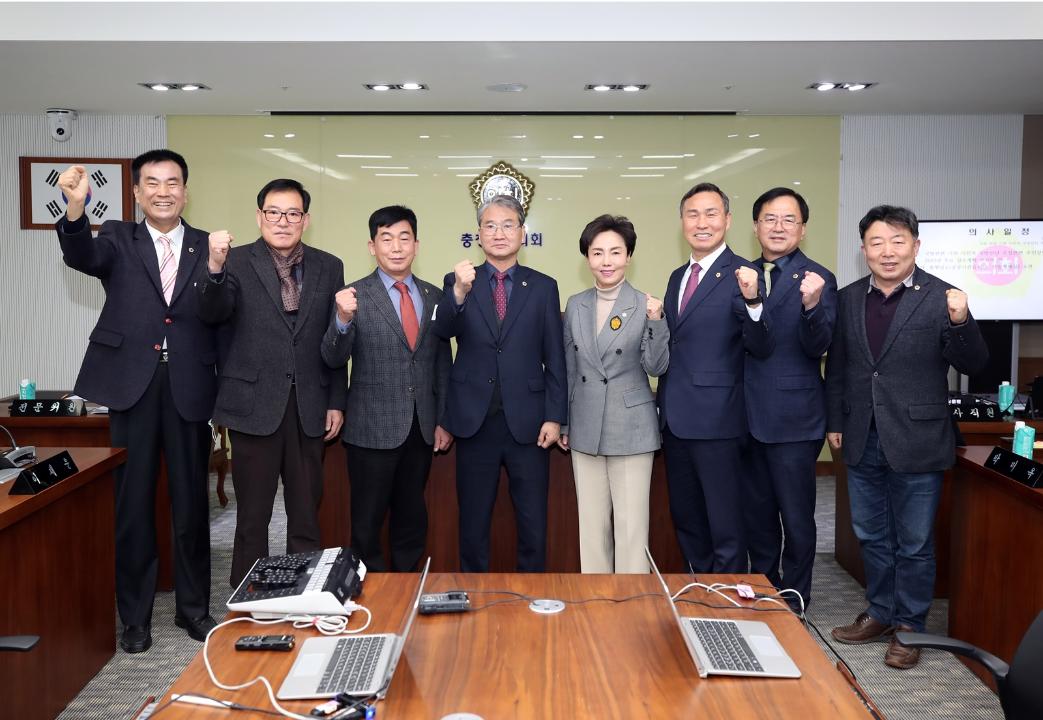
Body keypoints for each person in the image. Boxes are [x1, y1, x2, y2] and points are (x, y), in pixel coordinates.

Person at [56, 150, 218, 653]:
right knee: (132, 508)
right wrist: (76, 209)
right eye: (152, 182)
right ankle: (135, 618)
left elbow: (217, 310)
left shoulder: (205, 245)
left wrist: (215, 268)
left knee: (192, 506)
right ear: (136, 191)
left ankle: (194, 611)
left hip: (188, 387)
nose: (163, 190)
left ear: (186, 191)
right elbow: (80, 257)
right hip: (133, 386)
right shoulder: (117, 239)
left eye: (172, 182)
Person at [826, 205, 988, 669]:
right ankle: (880, 612)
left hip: (918, 436)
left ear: (916, 245)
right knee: (871, 534)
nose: (887, 251)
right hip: (861, 433)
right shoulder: (848, 297)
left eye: (898, 241)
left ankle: (911, 627)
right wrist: (835, 419)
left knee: (914, 540)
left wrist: (961, 320)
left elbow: (973, 363)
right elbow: (838, 367)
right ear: (863, 250)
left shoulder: (942, 297)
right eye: (876, 242)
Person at [199, 178, 346, 587]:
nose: (283, 221)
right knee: (252, 515)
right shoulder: (234, 260)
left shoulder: (328, 266)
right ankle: (249, 596)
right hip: (252, 406)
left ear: (306, 219)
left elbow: (333, 337)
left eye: (293, 213)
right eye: (274, 212)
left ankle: (306, 593)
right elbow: (211, 313)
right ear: (260, 216)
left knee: (305, 512)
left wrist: (336, 400)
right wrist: (213, 265)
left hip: (309, 407)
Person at [431, 194, 567, 572]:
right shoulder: (458, 281)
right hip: (475, 422)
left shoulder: (543, 287)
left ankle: (532, 602)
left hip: (530, 422)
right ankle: (473, 604)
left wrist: (556, 417)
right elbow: (442, 331)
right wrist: (458, 291)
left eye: (508, 225)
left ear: (523, 233)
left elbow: (555, 356)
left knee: (533, 525)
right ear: (478, 235)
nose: (499, 233)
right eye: (490, 226)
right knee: (472, 525)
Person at [321, 205, 452, 572]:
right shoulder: (353, 296)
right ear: (372, 246)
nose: (396, 247)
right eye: (386, 238)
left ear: (416, 245)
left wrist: (444, 419)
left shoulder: (434, 297)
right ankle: (373, 599)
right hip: (370, 429)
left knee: (412, 519)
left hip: (421, 428)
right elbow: (332, 358)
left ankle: (407, 591)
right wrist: (342, 320)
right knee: (366, 523)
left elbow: (443, 362)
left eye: (404, 238)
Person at [658, 182, 773, 573]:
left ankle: (726, 602)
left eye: (711, 214)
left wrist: (755, 301)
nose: (701, 223)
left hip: (719, 421)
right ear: (682, 222)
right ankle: (700, 591)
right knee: (687, 518)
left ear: (727, 219)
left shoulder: (744, 273)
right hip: (675, 420)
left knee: (724, 522)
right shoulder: (677, 276)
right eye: (693, 214)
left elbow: (760, 344)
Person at [743, 187, 837, 609]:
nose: (778, 227)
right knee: (758, 517)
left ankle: (795, 597)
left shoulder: (817, 278)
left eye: (788, 220)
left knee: (796, 518)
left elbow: (819, 346)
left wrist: (812, 306)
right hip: (745, 417)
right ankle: (766, 589)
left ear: (802, 228)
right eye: (769, 218)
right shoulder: (740, 274)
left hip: (795, 420)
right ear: (755, 225)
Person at [558, 214, 669, 573]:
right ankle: (596, 607)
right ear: (587, 258)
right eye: (597, 252)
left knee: (631, 527)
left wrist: (656, 320)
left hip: (631, 427)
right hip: (586, 425)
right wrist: (565, 421)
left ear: (629, 256)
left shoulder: (644, 304)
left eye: (615, 252)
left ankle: (632, 607)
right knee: (590, 528)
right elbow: (569, 368)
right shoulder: (576, 304)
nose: (606, 261)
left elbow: (656, 367)